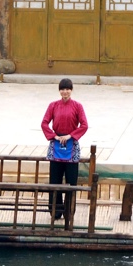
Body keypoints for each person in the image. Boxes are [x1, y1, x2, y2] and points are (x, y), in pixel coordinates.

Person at [40, 78, 89, 220]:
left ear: (71, 90)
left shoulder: (78, 106)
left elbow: (84, 125)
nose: (65, 92)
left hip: (71, 143)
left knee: (71, 180)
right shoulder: (53, 105)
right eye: (62, 89)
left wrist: (70, 136)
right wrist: (54, 136)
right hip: (56, 144)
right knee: (54, 180)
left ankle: (69, 211)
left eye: (67, 89)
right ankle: (55, 211)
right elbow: (44, 123)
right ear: (59, 91)